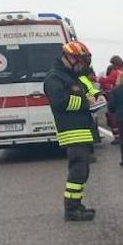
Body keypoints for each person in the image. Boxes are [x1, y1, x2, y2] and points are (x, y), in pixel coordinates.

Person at [44, 41, 100, 221]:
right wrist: (86, 103)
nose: (82, 66)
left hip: (82, 130)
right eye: (81, 62)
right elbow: (60, 102)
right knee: (77, 170)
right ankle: (71, 209)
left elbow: (83, 92)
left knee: (83, 170)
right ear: (70, 58)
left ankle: (77, 204)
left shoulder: (70, 76)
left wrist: (93, 98)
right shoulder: (55, 78)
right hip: (72, 131)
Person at [98, 56, 123, 144]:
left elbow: (107, 81)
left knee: (114, 120)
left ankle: (120, 137)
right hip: (122, 101)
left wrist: (97, 79)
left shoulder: (116, 73)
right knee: (117, 120)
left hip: (115, 102)